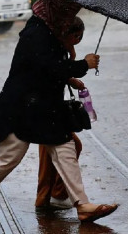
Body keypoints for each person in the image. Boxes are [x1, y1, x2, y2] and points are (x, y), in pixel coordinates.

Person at [0, 0, 119, 224]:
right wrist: (83, 65)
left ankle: (83, 205)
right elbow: (48, 67)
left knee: (64, 148)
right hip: (22, 108)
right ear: (56, 12)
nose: (68, 18)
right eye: (66, 13)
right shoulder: (38, 34)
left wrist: (70, 76)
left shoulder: (48, 31)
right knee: (9, 156)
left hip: (43, 108)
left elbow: (44, 69)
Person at [35, 16, 86, 210]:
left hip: (51, 107)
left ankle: (52, 195)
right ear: (66, 33)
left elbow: (59, 72)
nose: (78, 41)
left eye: (80, 37)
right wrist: (80, 65)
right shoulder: (52, 48)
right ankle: (50, 196)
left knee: (53, 154)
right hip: (44, 108)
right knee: (51, 155)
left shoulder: (64, 49)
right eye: (76, 36)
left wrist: (71, 80)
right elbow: (50, 72)